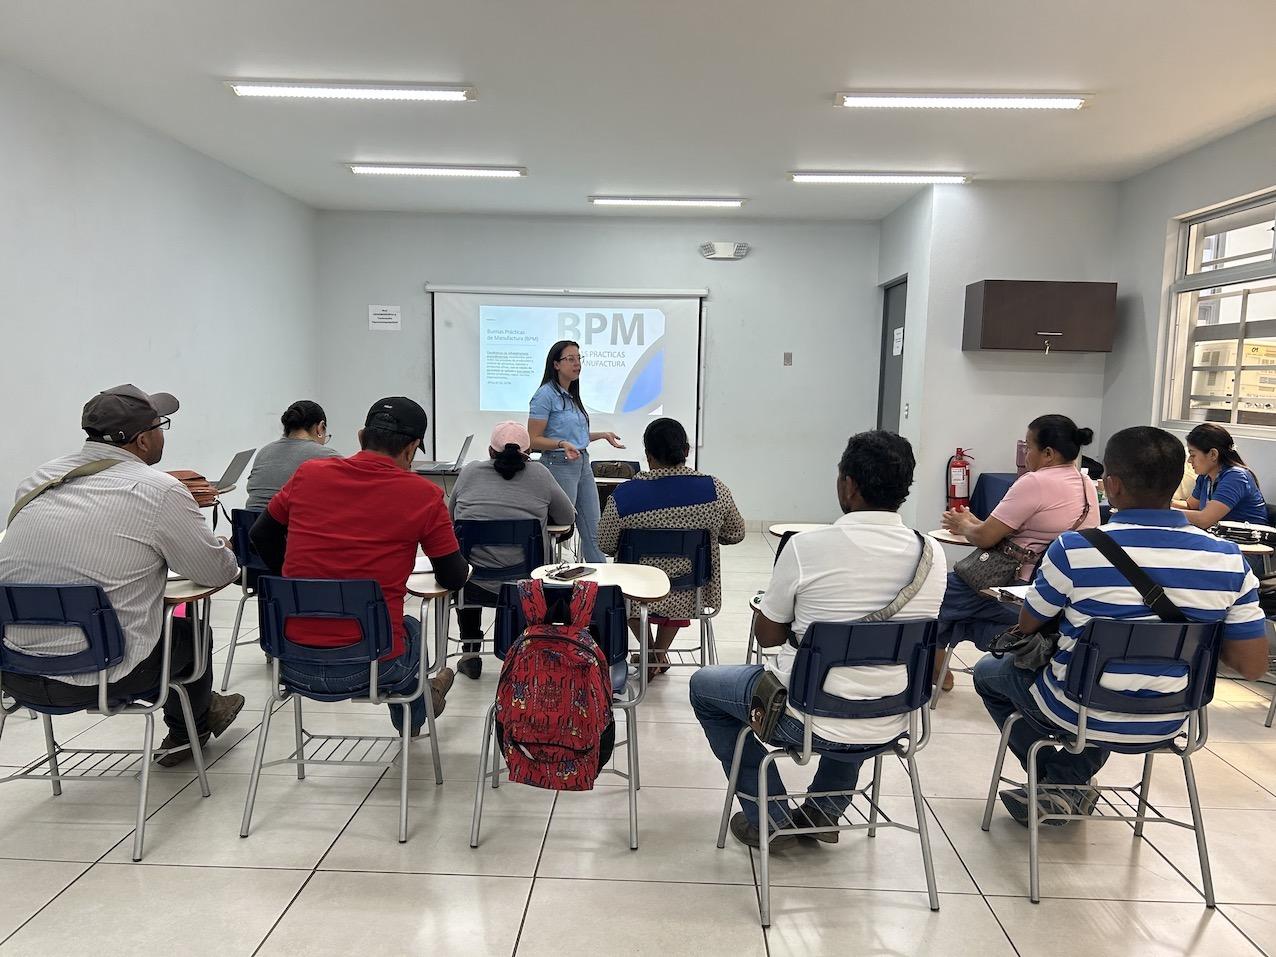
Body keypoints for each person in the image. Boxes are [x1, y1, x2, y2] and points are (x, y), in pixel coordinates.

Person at [976, 426, 1267, 825]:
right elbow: (1252, 667)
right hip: (1172, 717)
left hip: (1078, 710)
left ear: (1110, 484)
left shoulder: (1075, 548)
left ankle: (1061, 781)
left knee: (990, 672)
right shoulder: (1229, 560)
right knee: (1124, 685)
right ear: (1177, 483)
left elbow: (1028, 622)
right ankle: (1066, 783)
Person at [690, 431, 946, 849]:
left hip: (808, 718)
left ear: (848, 484)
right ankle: (824, 811)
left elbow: (768, 635)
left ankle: (769, 815)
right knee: (861, 687)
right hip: (895, 718)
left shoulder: (806, 547)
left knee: (704, 688)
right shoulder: (932, 555)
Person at [0, 384, 243, 767]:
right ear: (144, 440)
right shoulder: (159, 489)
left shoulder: (37, 480)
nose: (164, 432)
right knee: (193, 635)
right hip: (106, 673)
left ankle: (203, 710)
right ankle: (187, 733)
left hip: (15, 670)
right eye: (162, 425)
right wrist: (225, 550)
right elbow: (215, 572)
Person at [250, 397, 469, 733]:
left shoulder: (309, 474)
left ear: (360, 436)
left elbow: (261, 534)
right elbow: (453, 577)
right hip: (372, 666)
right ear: (412, 449)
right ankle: (418, 710)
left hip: (291, 661)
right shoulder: (423, 496)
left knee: (401, 629)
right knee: (411, 628)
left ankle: (423, 700)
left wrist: (295, 583)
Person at [935, 414, 1100, 692]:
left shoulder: (1034, 482)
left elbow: (987, 538)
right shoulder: (1086, 485)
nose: (1025, 455)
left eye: (1029, 447)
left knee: (937, 597)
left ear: (1047, 453)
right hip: (1056, 591)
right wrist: (974, 524)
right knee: (961, 609)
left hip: (1013, 587)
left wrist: (964, 525)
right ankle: (946, 668)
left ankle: (935, 668)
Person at [597, 417, 745, 678]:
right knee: (680, 584)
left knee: (620, 588)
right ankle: (656, 655)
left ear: (648, 455)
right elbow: (736, 533)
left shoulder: (624, 495)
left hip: (634, 597)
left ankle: (652, 653)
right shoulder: (715, 489)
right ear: (685, 452)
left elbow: (606, 545)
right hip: (690, 595)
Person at [448, 421, 576, 679]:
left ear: (490, 451)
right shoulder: (539, 474)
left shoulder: (469, 472)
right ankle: (519, 650)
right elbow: (567, 517)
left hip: (472, 585)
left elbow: (452, 519)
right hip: (525, 587)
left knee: (467, 565)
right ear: (528, 455)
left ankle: (471, 652)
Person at [527, 340, 625, 563]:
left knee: (594, 528)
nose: (577, 363)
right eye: (570, 359)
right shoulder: (545, 396)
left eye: (579, 358)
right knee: (559, 527)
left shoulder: (571, 395)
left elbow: (574, 438)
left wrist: (600, 435)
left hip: (582, 465)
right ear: (556, 364)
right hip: (558, 465)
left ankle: (600, 587)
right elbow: (532, 440)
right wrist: (561, 444)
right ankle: (545, 581)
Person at [244, 400, 340, 510]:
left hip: (250, 525)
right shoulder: (328, 456)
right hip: (292, 525)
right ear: (320, 427)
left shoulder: (264, 453)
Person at [1181, 423, 1269, 528]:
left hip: (1249, 541)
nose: (1189, 460)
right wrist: (1160, 503)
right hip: (1222, 538)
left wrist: (1163, 513)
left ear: (1213, 454)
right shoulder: (1205, 477)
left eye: (1193, 455)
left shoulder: (1236, 477)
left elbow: (1204, 520)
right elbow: (1190, 505)